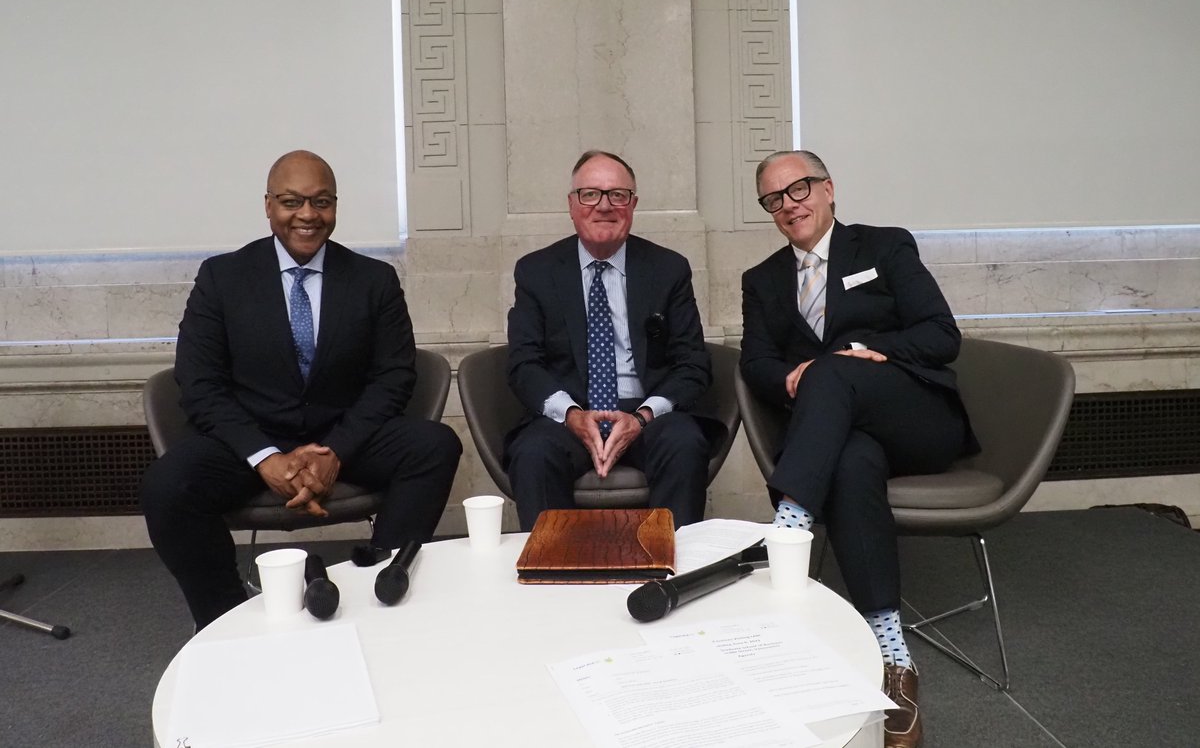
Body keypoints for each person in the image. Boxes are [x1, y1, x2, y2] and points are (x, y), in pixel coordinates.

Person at [141, 150, 462, 630]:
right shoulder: (222, 278)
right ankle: (225, 619)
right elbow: (200, 382)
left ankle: (381, 583)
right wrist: (265, 457)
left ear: (336, 206)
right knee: (167, 485)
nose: (308, 215)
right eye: (292, 201)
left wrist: (335, 452)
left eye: (322, 201)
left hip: (343, 433)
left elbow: (394, 377)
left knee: (435, 447)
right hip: (251, 438)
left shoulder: (374, 280)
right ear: (268, 205)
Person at [740, 149, 975, 748]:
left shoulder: (885, 246)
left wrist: (873, 351)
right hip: (846, 436)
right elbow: (756, 361)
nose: (790, 205)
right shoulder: (762, 280)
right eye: (774, 199)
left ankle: (788, 525)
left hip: (917, 418)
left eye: (800, 189)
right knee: (848, 460)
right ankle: (893, 657)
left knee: (832, 368)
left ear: (828, 188)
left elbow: (940, 335)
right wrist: (788, 377)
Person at [505, 150, 714, 531]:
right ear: (571, 205)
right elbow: (523, 364)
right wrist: (570, 415)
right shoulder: (536, 271)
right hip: (568, 412)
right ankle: (552, 573)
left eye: (617, 195)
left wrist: (642, 416)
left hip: (646, 413)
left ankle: (670, 575)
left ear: (633, 204)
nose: (604, 206)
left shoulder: (668, 269)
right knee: (533, 452)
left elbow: (693, 365)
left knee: (685, 442)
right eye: (590, 195)